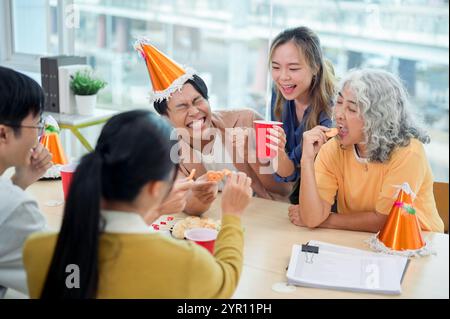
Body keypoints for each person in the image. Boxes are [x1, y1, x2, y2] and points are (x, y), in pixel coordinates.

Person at [23, 110, 253, 298]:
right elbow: (226, 280)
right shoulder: (186, 262)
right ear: (155, 188)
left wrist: (155, 207)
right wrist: (232, 215)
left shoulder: (37, 250)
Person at [135, 39, 291, 216]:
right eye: (182, 107)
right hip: (215, 220)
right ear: (166, 118)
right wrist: (199, 195)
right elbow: (188, 206)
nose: (194, 111)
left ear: (208, 99)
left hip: (266, 217)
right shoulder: (169, 150)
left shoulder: (246, 121)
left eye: (198, 101)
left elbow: (283, 188)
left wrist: (251, 155)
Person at [289, 69, 444, 233]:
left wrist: (327, 221)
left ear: (377, 118)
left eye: (352, 109)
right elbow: (312, 218)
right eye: (339, 102)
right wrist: (306, 160)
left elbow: (386, 220)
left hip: (419, 241)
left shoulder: (409, 152)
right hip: (359, 240)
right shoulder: (333, 149)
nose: (339, 115)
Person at [266, 26, 335, 205]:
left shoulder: (331, 112)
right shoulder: (280, 93)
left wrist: (281, 155)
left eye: (293, 69)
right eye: (275, 67)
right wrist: (278, 151)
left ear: (315, 68)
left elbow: (299, 172)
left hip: (322, 196)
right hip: (293, 185)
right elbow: (287, 172)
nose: (282, 77)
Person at [0, 66, 52, 296]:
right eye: (36, 125)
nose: (38, 135)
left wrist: (19, 183)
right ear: (3, 134)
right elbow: (67, 280)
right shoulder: (16, 207)